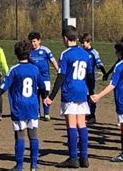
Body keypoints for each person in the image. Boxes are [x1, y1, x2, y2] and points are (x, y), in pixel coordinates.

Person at [0, 40, 45, 171]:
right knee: (34, 135)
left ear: (16, 54)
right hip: (33, 106)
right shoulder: (35, 69)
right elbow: (43, 86)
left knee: (19, 136)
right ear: (29, 53)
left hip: (19, 107)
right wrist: (46, 98)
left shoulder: (14, 70)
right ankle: (34, 166)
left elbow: (2, 89)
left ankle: (19, 166)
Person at [44, 25, 93, 168]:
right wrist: (91, 92)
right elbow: (90, 76)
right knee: (82, 124)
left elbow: (60, 77)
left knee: (71, 125)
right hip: (82, 91)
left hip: (70, 91)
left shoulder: (65, 54)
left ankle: (73, 158)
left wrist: (51, 96)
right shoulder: (85, 54)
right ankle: (84, 157)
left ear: (65, 38)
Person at [90, 41, 123, 162]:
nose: (115, 53)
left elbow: (112, 85)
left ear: (120, 53)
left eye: (116, 51)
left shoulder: (120, 65)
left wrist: (98, 96)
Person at [28, 31, 59, 121]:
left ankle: (46, 113)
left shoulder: (45, 50)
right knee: (35, 96)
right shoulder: (29, 51)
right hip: (34, 78)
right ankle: (37, 113)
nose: (33, 43)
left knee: (45, 95)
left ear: (39, 41)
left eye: (34, 41)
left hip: (45, 78)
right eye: (31, 42)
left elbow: (52, 60)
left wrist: (58, 70)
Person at [79, 33, 107, 124]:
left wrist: (105, 74)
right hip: (81, 78)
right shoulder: (81, 52)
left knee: (91, 96)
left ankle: (92, 115)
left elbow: (99, 64)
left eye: (83, 43)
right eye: (81, 43)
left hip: (90, 78)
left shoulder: (94, 53)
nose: (82, 45)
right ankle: (85, 114)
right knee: (83, 96)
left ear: (89, 42)